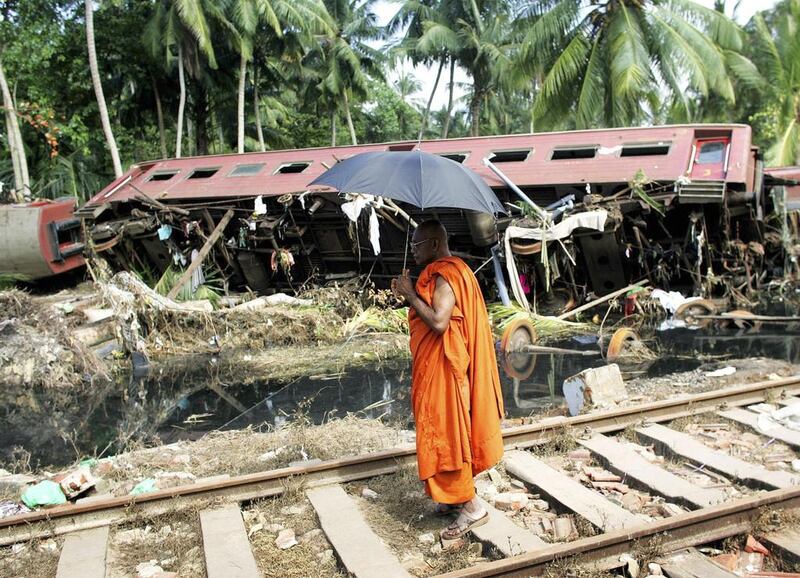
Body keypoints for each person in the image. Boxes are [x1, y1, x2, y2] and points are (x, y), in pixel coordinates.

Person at [392, 219, 504, 540]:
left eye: (417, 244)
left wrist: (412, 296)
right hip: (441, 367)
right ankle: (451, 497)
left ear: (435, 244)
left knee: (445, 432)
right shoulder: (448, 271)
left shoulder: (446, 274)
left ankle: (471, 506)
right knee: (442, 430)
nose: (413, 250)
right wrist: (410, 293)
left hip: (445, 372)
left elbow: (440, 322)